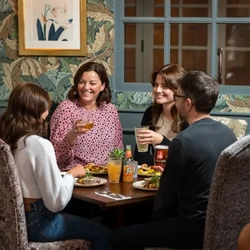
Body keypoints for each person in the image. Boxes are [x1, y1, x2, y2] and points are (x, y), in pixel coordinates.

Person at [110, 71, 237, 249]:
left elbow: (165, 197)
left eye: (177, 96)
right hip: (221, 226)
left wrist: (154, 223)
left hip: (190, 229)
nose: (175, 101)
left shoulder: (184, 140)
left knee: (116, 237)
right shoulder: (228, 134)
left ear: (188, 103)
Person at [0, 82, 111, 250]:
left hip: (13, 222)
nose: (48, 113)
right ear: (37, 111)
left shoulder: (9, 140)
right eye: (46, 108)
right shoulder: (39, 145)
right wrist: (71, 175)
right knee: (106, 234)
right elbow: (56, 203)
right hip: (40, 223)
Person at [50, 61, 123, 171]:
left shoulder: (110, 110)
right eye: (82, 82)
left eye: (92, 83)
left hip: (106, 176)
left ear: (102, 86)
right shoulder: (66, 108)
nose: (86, 87)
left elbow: (118, 149)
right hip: (75, 176)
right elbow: (56, 156)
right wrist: (73, 134)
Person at [134, 64, 188, 166]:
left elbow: (185, 157)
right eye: (156, 84)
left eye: (164, 86)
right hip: (154, 175)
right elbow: (139, 154)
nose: (157, 90)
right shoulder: (151, 112)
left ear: (178, 89)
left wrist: (161, 141)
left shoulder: (187, 117)